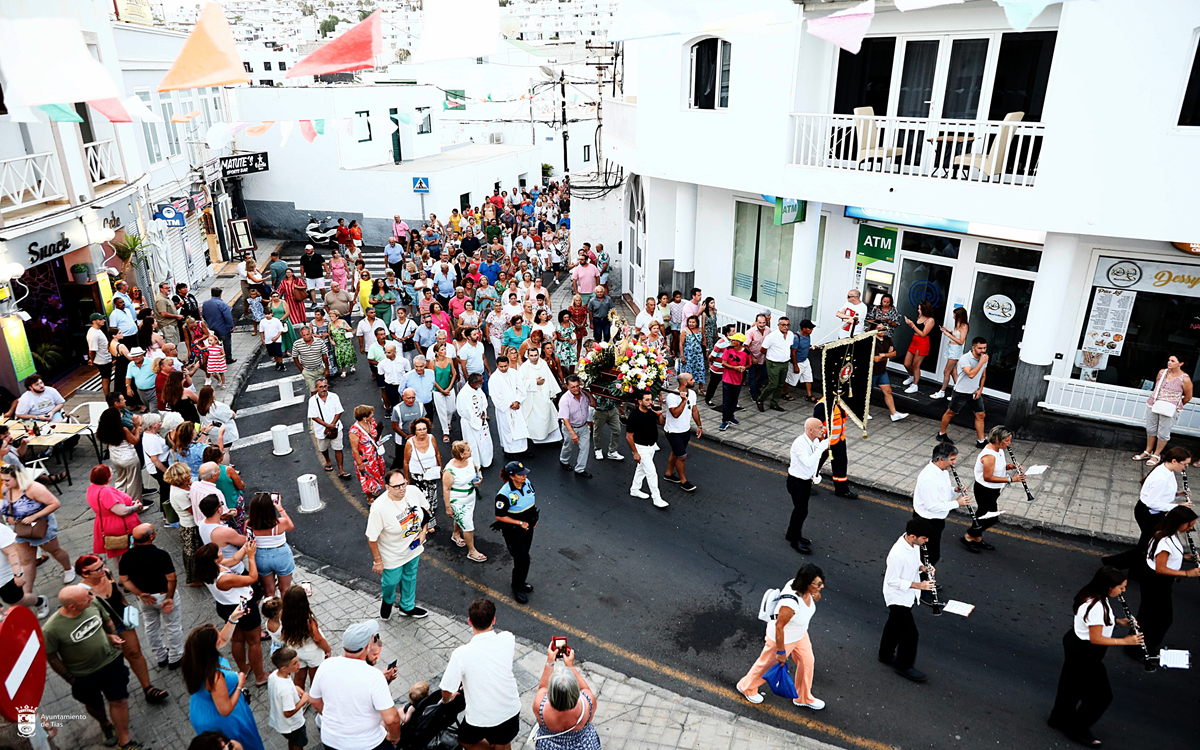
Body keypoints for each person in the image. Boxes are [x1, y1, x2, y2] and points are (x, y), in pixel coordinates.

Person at [1048, 567, 1144, 748]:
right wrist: (1126, 641)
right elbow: (1097, 638)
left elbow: (1096, 623)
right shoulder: (1096, 607)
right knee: (1101, 697)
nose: (1123, 591)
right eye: (1121, 587)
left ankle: (1058, 718)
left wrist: (1119, 621)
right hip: (1086, 652)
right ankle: (1075, 729)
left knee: (1070, 684)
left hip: (1075, 642)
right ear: (1108, 586)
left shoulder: (1091, 596)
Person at [45, 585, 149, 749]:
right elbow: (51, 657)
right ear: (72, 606)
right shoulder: (52, 629)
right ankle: (105, 724)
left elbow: (106, 619)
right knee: (95, 705)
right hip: (84, 674)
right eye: (86, 597)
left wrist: (113, 635)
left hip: (111, 662)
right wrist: (71, 679)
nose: (91, 598)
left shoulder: (93, 602)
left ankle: (125, 741)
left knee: (120, 700)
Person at [75, 553, 168, 704]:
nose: (103, 569)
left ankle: (148, 688)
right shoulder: (82, 592)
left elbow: (118, 594)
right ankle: (115, 694)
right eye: (97, 568)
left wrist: (127, 609)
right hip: (103, 630)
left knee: (135, 653)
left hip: (121, 621)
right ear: (85, 573)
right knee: (113, 662)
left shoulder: (107, 573)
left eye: (102, 564)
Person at [737, 564, 826, 710]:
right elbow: (779, 627)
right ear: (806, 583)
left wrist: (814, 593)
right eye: (818, 584)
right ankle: (746, 687)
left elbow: (815, 599)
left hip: (800, 633)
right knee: (766, 666)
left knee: (807, 662)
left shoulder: (807, 590)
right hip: (782, 639)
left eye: (821, 582)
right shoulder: (790, 604)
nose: (821, 587)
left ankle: (803, 697)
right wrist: (781, 652)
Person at [440, 599, 523, 747]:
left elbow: (446, 689)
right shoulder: (507, 639)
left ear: (469, 621)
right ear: (494, 620)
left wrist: (447, 700)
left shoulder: (461, 654)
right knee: (503, 741)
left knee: (464, 740)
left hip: (480, 719)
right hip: (510, 710)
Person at [308, 620, 403, 750]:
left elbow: (314, 700)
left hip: (331, 740)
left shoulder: (326, 665)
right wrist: (395, 737)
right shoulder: (374, 676)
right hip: (368, 744)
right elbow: (391, 719)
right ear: (367, 647)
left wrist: (336, 719)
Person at [182, 616, 267, 750]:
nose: (221, 636)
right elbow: (225, 709)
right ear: (212, 646)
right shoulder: (215, 676)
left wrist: (233, 618)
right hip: (223, 719)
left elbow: (224, 638)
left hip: (202, 708)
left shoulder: (195, 658)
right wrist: (240, 684)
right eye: (218, 636)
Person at [1104, 446, 1193, 571]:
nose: (1186, 468)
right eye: (1185, 464)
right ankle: (1113, 563)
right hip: (1149, 514)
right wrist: (1177, 506)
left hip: (1152, 513)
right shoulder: (1161, 478)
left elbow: (1161, 494)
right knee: (1148, 545)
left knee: (1147, 543)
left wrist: (1177, 494)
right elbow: (1152, 502)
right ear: (1174, 461)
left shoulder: (1167, 471)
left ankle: (1135, 571)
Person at [1134, 506, 1200, 665]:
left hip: (1155, 580)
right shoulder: (1164, 541)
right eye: (1189, 525)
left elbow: (1169, 556)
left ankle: (1137, 644)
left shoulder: (1167, 533)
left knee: (1147, 615)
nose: (1191, 529)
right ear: (1178, 522)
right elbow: (1161, 568)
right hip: (1156, 582)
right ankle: (1142, 649)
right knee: (1161, 619)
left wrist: (1185, 557)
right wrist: (1187, 573)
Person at [2, 464, 74, 604]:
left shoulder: (34, 488)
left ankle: (68, 568)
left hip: (41, 526)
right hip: (22, 529)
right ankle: (27, 594)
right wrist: (12, 519)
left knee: (54, 550)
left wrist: (35, 516)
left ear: (17, 478)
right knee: (27, 561)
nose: (4, 483)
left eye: (7, 480)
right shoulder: (7, 489)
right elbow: (6, 510)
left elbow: (54, 503)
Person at [367, 469, 431, 621]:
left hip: (413, 548)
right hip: (392, 554)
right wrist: (377, 561)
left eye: (403, 484)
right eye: (397, 486)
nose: (402, 488)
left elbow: (426, 511)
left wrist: (424, 532)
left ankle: (407, 607)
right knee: (390, 582)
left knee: (410, 577)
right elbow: (372, 537)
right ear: (387, 487)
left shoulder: (413, 491)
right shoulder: (379, 508)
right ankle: (388, 601)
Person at [118, 523, 183, 669]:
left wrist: (141, 594)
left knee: (151, 627)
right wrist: (169, 598)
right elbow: (171, 578)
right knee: (172, 626)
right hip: (163, 595)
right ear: (151, 536)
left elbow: (124, 579)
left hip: (146, 599)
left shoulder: (127, 557)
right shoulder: (161, 555)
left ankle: (160, 656)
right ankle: (175, 657)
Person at [880, 518, 936, 683]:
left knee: (893, 625)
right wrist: (920, 585)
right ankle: (904, 666)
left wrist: (922, 568)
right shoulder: (897, 555)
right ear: (913, 536)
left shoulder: (912, 544)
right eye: (924, 538)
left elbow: (914, 562)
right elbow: (892, 581)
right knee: (910, 634)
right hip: (897, 597)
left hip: (906, 595)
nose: (926, 541)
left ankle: (885, 654)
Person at [912, 442, 970, 580]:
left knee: (930, 555)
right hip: (927, 522)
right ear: (940, 459)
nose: (954, 463)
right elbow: (932, 505)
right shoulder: (929, 478)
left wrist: (954, 491)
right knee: (929, 556)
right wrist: (957, 503)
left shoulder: (942, 472)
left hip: (936, 520)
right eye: (952, 459)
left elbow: (941, 494)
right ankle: (923, 582)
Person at [963, 426, 1024, 552]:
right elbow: (988, 477)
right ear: (997, 440)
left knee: (982, 514)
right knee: (990, 518)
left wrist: (1009, 466)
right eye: (1007, 441)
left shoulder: (999, 450)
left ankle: (977, 538)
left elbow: (998, 467)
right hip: (985, 489)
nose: (1009, 443)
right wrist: (1012, 479)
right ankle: (969, 536)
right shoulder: (989, 455)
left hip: (992, 489)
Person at [530, 641, 601, 749]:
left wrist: (550, 661)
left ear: (552, 692)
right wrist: (570, 665)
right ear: (575, 690)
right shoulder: (588, 703)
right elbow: (585, 689)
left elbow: (543, 688)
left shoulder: (540, 707)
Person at [1135, 355, 1193, 466]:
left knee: (1163, 432)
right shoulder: (1162, 373)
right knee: (1151, 428)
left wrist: (1175, 405)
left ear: (1181, 363)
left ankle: (1156, 454)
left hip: (1170, 408)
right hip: (1154, 403)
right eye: (1169, 360)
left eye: (1173, 361)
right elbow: (1157, 386)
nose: (1169, 362)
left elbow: (1188, 396)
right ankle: (1148, 451)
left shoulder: (1185, 379)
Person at [493, 461, 539, 602]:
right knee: (522, 559)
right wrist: (520, 523)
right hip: (514, 530)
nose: (525, 476)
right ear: (512, 476)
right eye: (521, 474)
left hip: (528, 526)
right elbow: (499, 515)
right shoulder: (504, 494)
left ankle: (521, 581)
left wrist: (533, 520)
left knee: (524, 556)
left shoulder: (527, 483)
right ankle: (517, 587)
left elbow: (531, 500)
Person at [786, 419, 831, 555]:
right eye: (820, 428)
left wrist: (815, 474)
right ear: (810, 430)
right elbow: (806, 462)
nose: (822, 430)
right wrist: (821, 448)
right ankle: (795, 540)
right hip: (796, 482)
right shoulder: (800, 443)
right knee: (801, 511)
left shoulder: (815, 441)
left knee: (801, 509)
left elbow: (815, 461)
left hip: (805, 481)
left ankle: (791, 534)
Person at [937, 337, 989, 448]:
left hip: (974, 392)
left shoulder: (983, 358)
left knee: (980, 415)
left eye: (984, 347)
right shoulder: (965, 358)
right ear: (973, 347)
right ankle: (941, 434)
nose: (983, 350)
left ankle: (981, 441)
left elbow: (983, 375)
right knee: (950, 412)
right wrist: (981, 362)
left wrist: (980, 389)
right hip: (961, 392)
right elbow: (970, 374)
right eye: (980, 348)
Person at [278, 585, 332, 689]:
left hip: (295, 650)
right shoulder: (307, 620)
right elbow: (317, 638)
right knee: (315, 678)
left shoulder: (282, 614)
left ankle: (300, 700)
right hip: (312, 652)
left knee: (298, 677)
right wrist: (327, 649)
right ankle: (313, 697)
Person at [86, 464, 142, 559]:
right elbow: (122, 511)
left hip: (104, 523)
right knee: (127, 554)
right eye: (111, 472)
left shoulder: (92, 487)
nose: (112, 474)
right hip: (119, 526)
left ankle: (122, 573)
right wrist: (136, 507)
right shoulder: (106, 492)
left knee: (116, 554)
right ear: (106, 477)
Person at [444, 441, 487, 563]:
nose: (471, 451)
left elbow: (477, 471)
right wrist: (448, 507)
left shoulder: (469, 461)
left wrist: (479, 480)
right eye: (468, 450)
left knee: (463, 518)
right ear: (461, 454)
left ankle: (456, 534)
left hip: (470, 497)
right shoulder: (449, 470)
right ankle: (472, 551)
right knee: (468, 525)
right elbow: (446, 489)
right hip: (458, 500)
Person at [246, 492, 296, 596]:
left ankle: (271, 610)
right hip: (281, 555)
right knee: (285, 589)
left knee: (268, 590)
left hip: (261, 556)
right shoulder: (281, 523)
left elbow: (247, 537)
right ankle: (285, 610)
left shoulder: (249, 524)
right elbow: (291, 527)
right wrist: (280, 508)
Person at [626, 390, 667, 508]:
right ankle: (656, 498)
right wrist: (635, 453)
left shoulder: (651, 411)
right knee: (651, 473)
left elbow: (662, 423)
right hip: (641, 448)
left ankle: (635, 489)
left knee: (641, 469)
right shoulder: (634, 416)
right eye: (647, 400)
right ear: (640, 401)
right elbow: (629, 436)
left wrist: (658, 413)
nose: (650, 402)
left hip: (651, 446)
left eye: (651, 399)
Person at [663, 373, 703, 492]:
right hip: (673, 431)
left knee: (676, 453)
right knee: (682, 456)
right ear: (685, 383)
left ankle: (668, 474)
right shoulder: (672, 397)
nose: (694, 380)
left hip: (685, 430)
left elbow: (694, 410)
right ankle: (683, 481)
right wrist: (684, 401)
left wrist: (699, 425)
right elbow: (675, 414)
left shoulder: (693, 394)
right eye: (691, 379)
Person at [404, 418, 444, 530]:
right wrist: (407, 478)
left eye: (424, 429)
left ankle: (433, 504)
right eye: (419, 429)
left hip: (431, 472)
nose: (422, 432)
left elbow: (437, 454)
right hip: (418, 474)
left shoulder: (431, 438)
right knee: (425, 498)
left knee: (433, 490)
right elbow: (406, 461)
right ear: (415, 431)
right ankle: (429, 521)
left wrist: (440, 468)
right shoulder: (410, 443)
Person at [812, 397, 857, 498]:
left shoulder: (841, 403)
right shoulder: (823, 406)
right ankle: (805, 484)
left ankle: (841, 490)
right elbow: (815, 426)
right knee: (815, 463)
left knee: (840, 464)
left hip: (838, 439)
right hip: (824, 442)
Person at [268, 646, 311, 750]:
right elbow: (288, 713)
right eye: (295, 663)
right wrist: (303, 700)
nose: (299, 665)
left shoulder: (274, 675)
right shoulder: (285, 690)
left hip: (282, 723)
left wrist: (294, 687)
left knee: (292, 741)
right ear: (284, 668)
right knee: (298, 744)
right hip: (293, 725)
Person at [98, 406, 144, 502]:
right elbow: (135, 441)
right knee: (134, 482)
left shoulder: (104, 430)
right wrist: (136, 427)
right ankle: (135, 503)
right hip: (129, 458)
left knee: (121, 479)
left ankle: (117, 500)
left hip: (115, 457)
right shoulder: (123, 430)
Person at [309, 378, 350, 478]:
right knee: (323, 448)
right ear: (316, 388)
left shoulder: (334, 397)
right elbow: (314, 416)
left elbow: (339, 411)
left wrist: (332, 425)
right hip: (321, 430)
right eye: (321, 387)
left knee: (338, 448)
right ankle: (328, 460)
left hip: (336, 428)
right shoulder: (312, 401)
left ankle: (341, 470)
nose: (324, 389)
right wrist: (327, 426)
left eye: (325, 386)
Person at [520, 348, 562, 444]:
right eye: (532, 355)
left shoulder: (543, 363)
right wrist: (535, 382)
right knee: (535, 419)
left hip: (544, 395)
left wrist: (553, 392)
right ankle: (536, 438)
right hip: (532, 397)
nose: (534, 358)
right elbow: (521, 383)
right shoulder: (524, 367)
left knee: (549, 416)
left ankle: (553, 439)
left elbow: (549, 377)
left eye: (536, 355)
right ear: (528, 356)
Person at [490, 355, 530, 456]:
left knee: (520, 427)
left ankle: (522, 450)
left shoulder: (514, 373)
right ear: (497, 365)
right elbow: (496, 396)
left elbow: (521, 389)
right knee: (507, 430)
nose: (504, 369)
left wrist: (518, 401)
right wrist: (509, 405)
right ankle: (509, 451)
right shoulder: (494, 378)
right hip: (505, 409)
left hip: (517, 406)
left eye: (505, 366)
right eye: (501, 367)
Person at [870, 322, 909, 422]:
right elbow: (876, 359)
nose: (882, 330)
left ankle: (894, 413)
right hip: (871, 372)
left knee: (888, 391)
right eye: (879, 328)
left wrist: (883, 355)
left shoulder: (888, 339)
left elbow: (894, 353)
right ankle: (862, 412)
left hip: (882, 371)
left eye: (883, 328)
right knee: (867, 393)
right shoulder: (871, 341)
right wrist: (888, 354)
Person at [558, 375, 594, 478]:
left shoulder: (584, 395)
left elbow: (594, 404)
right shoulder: (565, 400)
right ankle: (564, 461)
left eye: (577, 386)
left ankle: (580, 469)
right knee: (568, 446)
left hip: (583, 427)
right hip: (570, 427)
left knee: (585, 448)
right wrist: (572, 433)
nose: (576, 389)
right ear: (568, 387)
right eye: (572, 387)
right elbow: (565, 419)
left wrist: (588, 394)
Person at [349, 405, 388, 501]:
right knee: (367, 477)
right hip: (365, 459)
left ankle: (375, 487)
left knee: (377, 472)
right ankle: (369, 496)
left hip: (375, 455)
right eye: (371, 413)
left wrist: (379, 440)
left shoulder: (372, 422)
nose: (373, 415)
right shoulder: (354, 431)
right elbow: (354, 449)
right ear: (364, 418)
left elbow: (377, 432)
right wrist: (360, 464)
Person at [758, 316, 797, 412]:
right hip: (774, 363)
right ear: (778, 325)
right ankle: (760, 400)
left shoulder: (791, 335)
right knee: (773, 384)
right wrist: (772, 356)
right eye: (783, 325)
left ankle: (774, 403)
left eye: (788, 325)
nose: (786, 327)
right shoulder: (772, 336)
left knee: (780, 384)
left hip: (785, 362)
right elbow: (763, 349)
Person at [457, 372, 493, 469]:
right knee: (473, 444)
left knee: (484, 441)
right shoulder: (464, 394)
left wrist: (483, 413)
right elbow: (466, 411)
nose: (483, 382)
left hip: (480, 419)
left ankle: (486, 460)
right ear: (474, 382)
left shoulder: (478, 389)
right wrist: (478, 420)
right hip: (470, 423)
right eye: (481, 381)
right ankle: (476, 464)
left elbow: (483, 402)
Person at [931, 307, 969, 400]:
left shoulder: (964, 326)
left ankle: (942, 391)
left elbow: (961, 341)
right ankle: (958, 392)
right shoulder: (958, 324)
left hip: (956, 349)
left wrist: (948, 335)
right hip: (951, 347)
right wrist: (947, 331)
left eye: (955, 315)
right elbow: (955, 334)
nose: (953, 316)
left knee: (946, 371)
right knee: (953, 372)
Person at [901, 301, 936, 394]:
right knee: (906, 363)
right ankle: (911, 376)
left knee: (916, 365)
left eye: (920, 309)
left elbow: (923, 334)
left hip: (922, 343)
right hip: (914, 341)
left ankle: (915, 384)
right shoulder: (920, 316)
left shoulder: (930, 320)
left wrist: (912, 325)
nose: (918, 310)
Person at [718, 333, 751, 431]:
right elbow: (724, 363)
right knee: (726, 401)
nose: (731, 341)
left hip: (738, 380)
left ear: (739, 342)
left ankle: (731, 416)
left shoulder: (746, 353)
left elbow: (749, 364)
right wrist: (735, 368)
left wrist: (744, 368)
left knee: (734, 400)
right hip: (727, 379)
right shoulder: (728, 349)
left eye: (733, 340)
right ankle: (725, 420)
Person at [431, 342, 458, 441]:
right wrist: (442, 390)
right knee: (441, 411)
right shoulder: (432, 363)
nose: (445, 351)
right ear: (437, 352)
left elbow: (454, 374)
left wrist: (449, 388)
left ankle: (448, 422)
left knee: (452, 409)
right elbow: (432, 378)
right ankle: (445, 432)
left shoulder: (449, 360)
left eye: (445, 349)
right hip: (438, 391)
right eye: (442, 350)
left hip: (449, 388)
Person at [202, 287, 237, 365]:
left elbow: (203, 315)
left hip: (212, 327)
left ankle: (215, 358)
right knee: (226, 343)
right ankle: (228, 358)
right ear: (220, 295)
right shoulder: (222, 304)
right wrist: (231, 326)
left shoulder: (205, 303)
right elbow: (228, 317)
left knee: (214, 343)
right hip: (223, 328)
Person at [293, 326, 330, 396]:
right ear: (301, 335)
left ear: (311, 333)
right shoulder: (297, 344)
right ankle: (315, 405)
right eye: (304, 335)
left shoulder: (319, 341)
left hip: (319, 369)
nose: (306, 337)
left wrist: (327, 369)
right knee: (313, 391)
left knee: (323, 389)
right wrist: (302, 370)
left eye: (307, 334)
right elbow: (295, 357)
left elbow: (325, 356)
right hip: (308, 371)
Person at [88, 313, 114, 396]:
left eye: (103, 318)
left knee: (108, 378)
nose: (103, 320)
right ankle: (107, 397)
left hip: (105, 357)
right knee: (106, 378)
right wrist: (92, 360)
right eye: (100, 319)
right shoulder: (93, 334)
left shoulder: (97, 330)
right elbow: (92, 350)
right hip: (102, 360)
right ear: (94, 321)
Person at [261, 305, 286, 372]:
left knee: (279, 352)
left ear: (272, 313)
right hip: (268, 340)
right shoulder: (262, 322)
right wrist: (263, 339)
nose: (267, 315)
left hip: (277, 340)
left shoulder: (276, 321)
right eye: (266, 314)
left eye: (269, 314)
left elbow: (280, 330)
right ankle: (277, 363)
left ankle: (282, 364)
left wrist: (276, 337)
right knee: (273, 353)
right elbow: (261, 331)